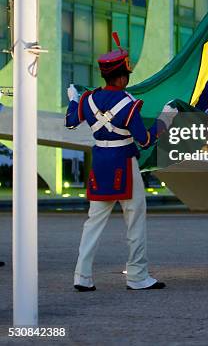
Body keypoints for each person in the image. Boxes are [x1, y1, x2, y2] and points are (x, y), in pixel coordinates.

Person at [65, 38, 172, 291]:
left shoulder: (88, 100)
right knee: (134, 221)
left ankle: (82, 276)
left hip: (100, 163)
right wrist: (165, 120)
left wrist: (73, 98)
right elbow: (145, 141)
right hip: (124, 163)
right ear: (122, 77)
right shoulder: (128, 102)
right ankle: (137, 276)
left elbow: (71, 121)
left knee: (93, 222)